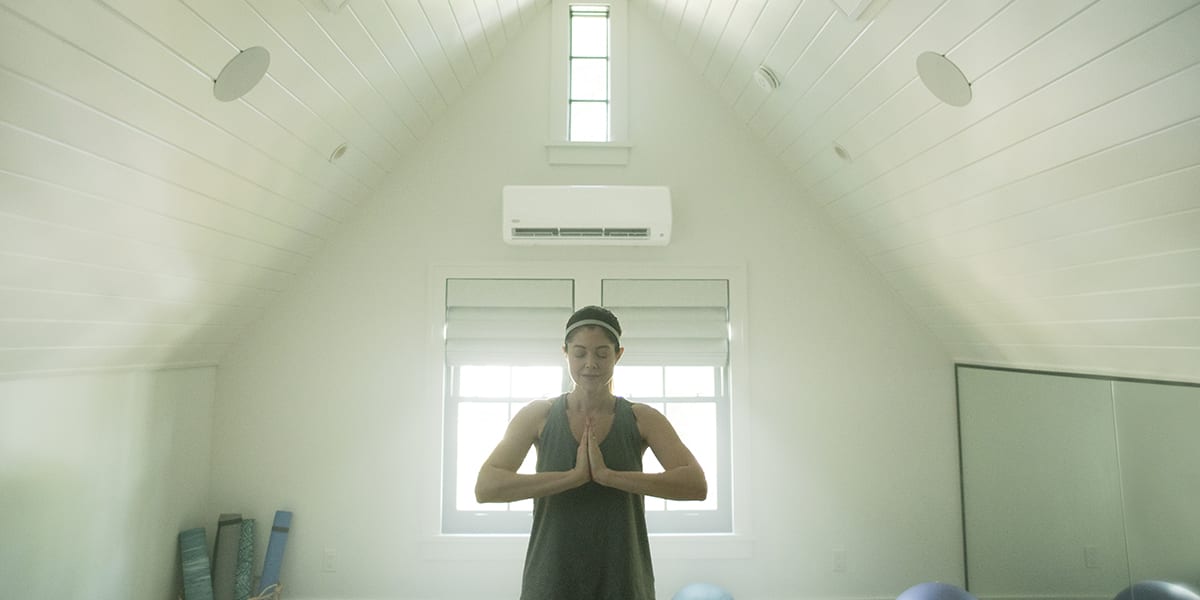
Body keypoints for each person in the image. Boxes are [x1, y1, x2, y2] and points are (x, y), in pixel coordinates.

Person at [475, 305, 708, 600]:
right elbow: (486, 487)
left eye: (601, 353)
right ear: (565, 353)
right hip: (551, 581)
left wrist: (609, 476)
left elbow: (696, 485)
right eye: (579, 353)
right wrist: (572, 478)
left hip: (622, 581)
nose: (590, 364)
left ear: (618, 355)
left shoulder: (642, 418)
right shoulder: (538, 415)